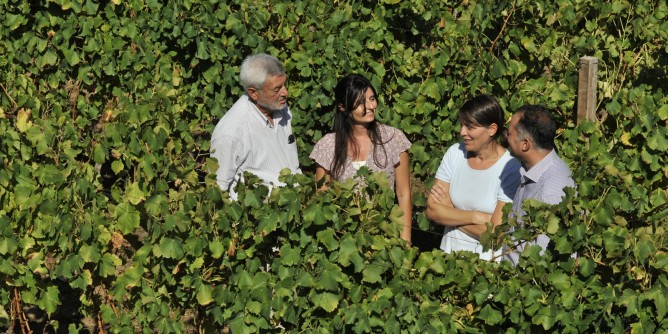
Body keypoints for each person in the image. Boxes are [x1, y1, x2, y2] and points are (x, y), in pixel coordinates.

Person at [310, 74, 413, 243]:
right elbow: (322, 199)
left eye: (372, 98)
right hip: (344, 239)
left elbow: (403, 194)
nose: (370, 106)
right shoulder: (328, 146)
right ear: (343, 107)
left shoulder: (394, 139)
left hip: (386, 238)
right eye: (360, 102)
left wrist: (405, 240)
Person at [426, 95, 521, 261]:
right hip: (448, 257)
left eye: (469, 126)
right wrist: (477, 217)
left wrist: (450, 211)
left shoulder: (511, 168)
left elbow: (495, 236)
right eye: (462, 125)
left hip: (486, 265)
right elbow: (433, 211)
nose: (462, 132)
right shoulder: (455, 153)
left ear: (492, 129)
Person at [210, 53, 300, 200]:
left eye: (284, 84)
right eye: (277, 89)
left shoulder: (280, 108)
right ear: (253, 93)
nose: (285, 93)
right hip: (260, 216)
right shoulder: (230, 133)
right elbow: (218, 189)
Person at [503, 105, 575, 265]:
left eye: (509, 134)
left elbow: (542, 261)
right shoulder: (533, 171)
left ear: (525, 144)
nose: (506, 138)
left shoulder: (550, 193)